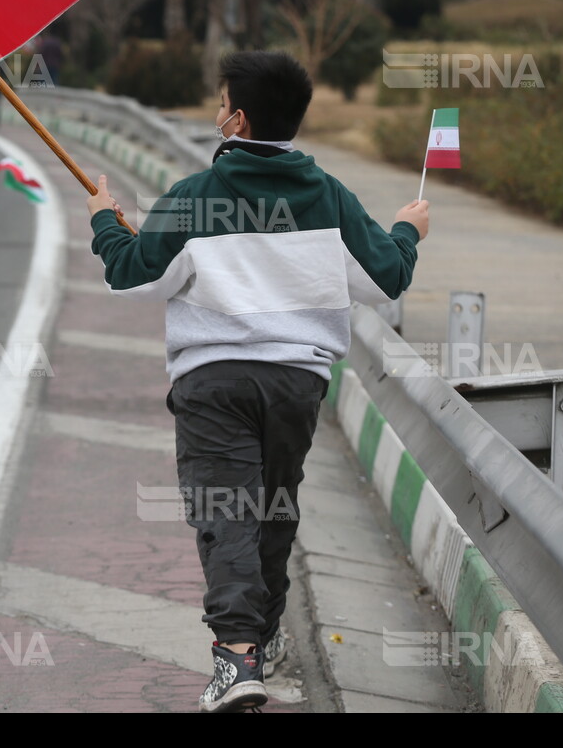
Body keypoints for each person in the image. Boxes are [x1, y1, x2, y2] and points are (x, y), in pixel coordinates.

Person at [86, 51, 429, 713]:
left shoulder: (194, 197)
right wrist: (406, 232)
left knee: (227, 515)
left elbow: (134, 276)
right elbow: (384, 279)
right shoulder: (330, 196)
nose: (216, 116)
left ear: (237, 119)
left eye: (220, 105)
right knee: (273, 512)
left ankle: (237, 660)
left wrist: (107, 219)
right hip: (297, 386)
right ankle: (262, 641)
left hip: (213, 383)